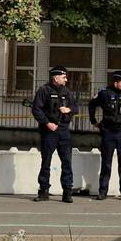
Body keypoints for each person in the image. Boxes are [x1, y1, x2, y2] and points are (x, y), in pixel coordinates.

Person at [89, 70, 121, 201]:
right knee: (106, 163)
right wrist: (93, 121)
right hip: (108, 132)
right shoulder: (104, 93)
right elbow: (92, 104)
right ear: (116, 83)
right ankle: (103, 191)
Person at [30, 66, 78, 203]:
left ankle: (67, 192)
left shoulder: (67, 92)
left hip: (64, 131)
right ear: (55, 78)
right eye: (64, 77)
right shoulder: (44, 91)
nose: (66, 79)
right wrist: (47, 123)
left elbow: (75, 107)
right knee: (46, 162)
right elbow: (36, 109)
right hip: (49, 131)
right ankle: (44, 191)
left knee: (67, 162)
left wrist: (68, 109)